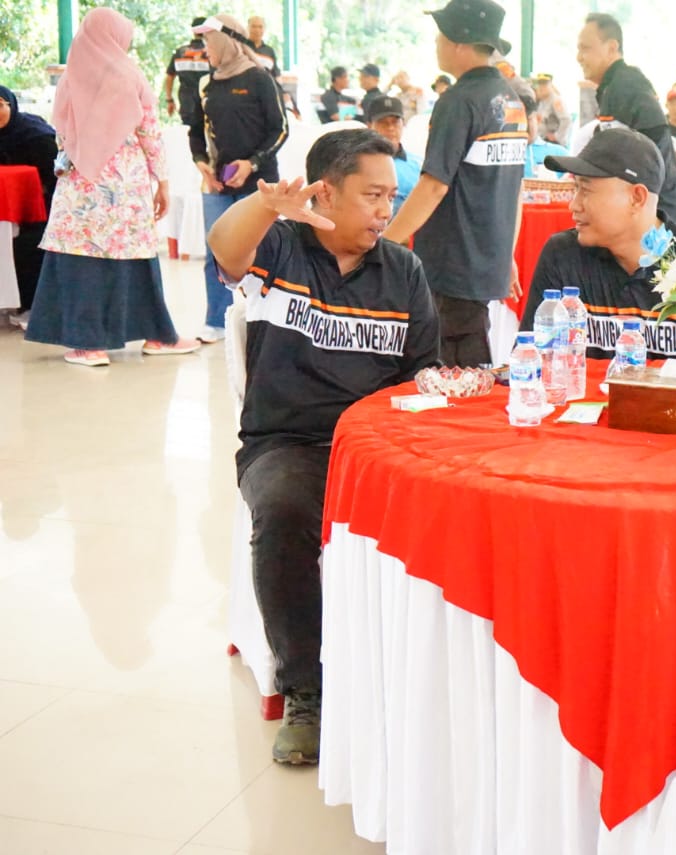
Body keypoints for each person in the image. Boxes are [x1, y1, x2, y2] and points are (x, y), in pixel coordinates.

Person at [207, 128, 440, 765]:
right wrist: (266, 205)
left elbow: (420, 378)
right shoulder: (280, 248)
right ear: (326, 194)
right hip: (287, 441)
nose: (386, 211)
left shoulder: (403, 271)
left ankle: (416, 679)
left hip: (377, 446)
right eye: (372, 195)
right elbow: (224, 247)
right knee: (285, 510)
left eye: (390, 197)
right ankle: (305, 689)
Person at [24, 8, 198, 366]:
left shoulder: (72, 75)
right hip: (126, 187)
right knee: (136, 260)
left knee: (81, 262)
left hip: (80, 187)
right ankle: (158, 336)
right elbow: (150, 134)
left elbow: (62, 134)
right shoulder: (130, 74)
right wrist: (163, 182)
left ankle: (89, 346)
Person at [522, 127, 676, 362]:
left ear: (637, 198)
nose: (573, 205)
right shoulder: (563, 256)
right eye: (575, 188)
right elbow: (529, 360)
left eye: (586, 191)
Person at [384, 0, 524, 367]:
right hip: (487, 260)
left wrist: (385, 243)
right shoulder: (511, 100)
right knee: (470, 357)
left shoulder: (458, 101)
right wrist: (506, 254)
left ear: (459, 42)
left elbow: (434, 185)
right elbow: (515, 188)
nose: (436, 44)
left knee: (450, 372)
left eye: (440, 36)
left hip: (454, 264)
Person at [189, 15, 289, 344]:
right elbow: (195, 132)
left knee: (263, 253)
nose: (205, 49)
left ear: (227, 40)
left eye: (208, 41)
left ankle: (268, 319)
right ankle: (216, 321)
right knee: (216, 252)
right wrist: (201, 163)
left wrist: (252, 163)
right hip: (218, 186)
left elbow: (280, 129)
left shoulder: (260, 79)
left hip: (259, 186)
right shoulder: (206, 84)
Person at [576, 12, 676, 224]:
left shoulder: (626, 87)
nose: (579, 57)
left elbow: (647, 154)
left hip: (657, 212)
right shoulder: (614, 86)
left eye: (585, 48)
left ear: (611, 48)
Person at [0, 86, 57, 328]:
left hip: (40, 209)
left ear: (11, 105)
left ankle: (31, 306)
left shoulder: (35, 136)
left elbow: (55, 180)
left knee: (28, 243)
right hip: (5, 210)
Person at [365, 95, 420, 214]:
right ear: (369, 126)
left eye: (395, 122)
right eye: (383, 123)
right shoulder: (359, 165)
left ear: (403, 124)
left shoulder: (420, 165)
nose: (390, 128)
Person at [162, 19, 210, 127]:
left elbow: (169, 77)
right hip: (207, 102)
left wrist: (169, 100)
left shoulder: (180, 52)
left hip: (187, 103)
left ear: (193, 31)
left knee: (191, 132)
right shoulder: (211, 52)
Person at [533, 73, 572, 145]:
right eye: (540, 84)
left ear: (551, 86)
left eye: (545, 85)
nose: (542, 87)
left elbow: (566, 120)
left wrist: (557, 136)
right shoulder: (543, 100)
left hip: (552, 142)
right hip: (542, 140)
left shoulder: (556, 100)